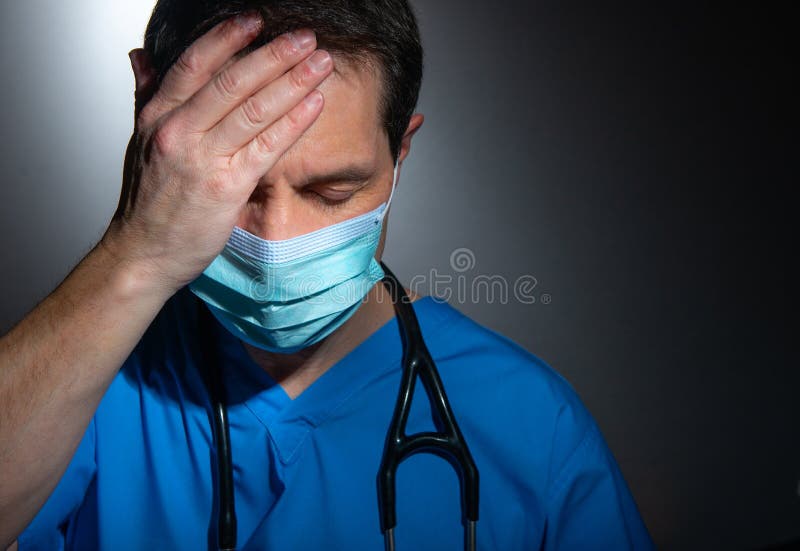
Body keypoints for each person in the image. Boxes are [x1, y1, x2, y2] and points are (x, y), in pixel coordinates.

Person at [0, 1, 655, 549]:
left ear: (400, 154)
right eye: (234, 188)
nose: (278, 242)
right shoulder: (83, 388)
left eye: (335, 193)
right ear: (155, 133)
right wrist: (132, 253)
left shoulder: (534, 430)